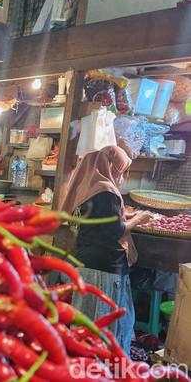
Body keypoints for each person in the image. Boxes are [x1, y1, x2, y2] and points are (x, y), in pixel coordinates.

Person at [58, 145, 153, 355]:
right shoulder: (106, 191)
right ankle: (100, 370)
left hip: (86, 262)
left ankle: (82, 366)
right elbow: (114, 230)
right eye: (121, 170)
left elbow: (99, 222)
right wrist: (138, 219)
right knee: (103, 325)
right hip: (104, 266)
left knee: (86, 322)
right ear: (112, 167)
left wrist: (125, 215)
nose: (122, 176)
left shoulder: (89, 186)